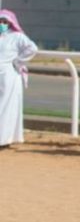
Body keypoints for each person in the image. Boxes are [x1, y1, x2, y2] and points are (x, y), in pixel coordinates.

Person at [0, 9, 38, 149]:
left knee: (5, 108)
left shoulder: (17, 36)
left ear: (10, 23)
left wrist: (18, 61)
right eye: (0, 21)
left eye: (5, 22)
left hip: (9, 76)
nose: (2, 24)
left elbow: (32, 48)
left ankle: (3, 139)